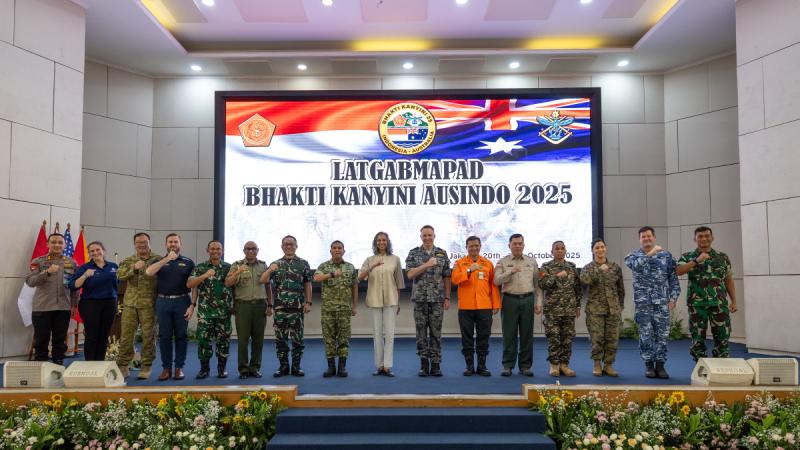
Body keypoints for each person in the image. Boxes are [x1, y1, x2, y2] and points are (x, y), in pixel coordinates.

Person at [624, 226, 680, 379]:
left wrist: (673, 298)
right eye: (643, 237)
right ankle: (649, 365)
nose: (646, 239)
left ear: (654, 237)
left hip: (661, 303)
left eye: (649, 236)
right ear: (639, 239)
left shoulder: (667, 256)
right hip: (643, 305)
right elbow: (635, 266)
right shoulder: (633, 256)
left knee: (662, 335)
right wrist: (650, 254)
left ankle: (660, 365)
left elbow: (673, 279)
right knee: (646, 335)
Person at [677, 226, 738, 362]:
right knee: (698, 339)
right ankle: (701, 367)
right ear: (695, 239)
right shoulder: (688, 256)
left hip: (719, 304)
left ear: (712, 238)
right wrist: (696, 261)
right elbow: (679, 271)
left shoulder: (722, 257)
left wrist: (734, 301)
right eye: (700, 236)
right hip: (697, 305)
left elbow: (728, 280)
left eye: (707, 236)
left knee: (722, 337)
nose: (704, 239)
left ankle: (721, 366)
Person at [145, 233, 195, 381]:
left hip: (182, 301)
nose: (173, 244)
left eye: (176, 242)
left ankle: (179, 368)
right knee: (164, 336)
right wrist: (167, 259)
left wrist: (192, 305)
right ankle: (166, 369)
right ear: (166, 244)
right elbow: (148, 272)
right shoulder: (158, 260)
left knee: (181, 335)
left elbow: (194, 285)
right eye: (170, 242)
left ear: (180, 244)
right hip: (163, 301)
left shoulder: (188, 262)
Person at [261, 235, 312, 377]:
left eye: (291, 244)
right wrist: (270, 270)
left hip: (297, 308)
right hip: (280, 308)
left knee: (297, 340)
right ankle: (283, 366)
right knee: (280, 340)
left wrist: (308, 302)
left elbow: (308, 284)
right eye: (286, 244)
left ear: (296, 246)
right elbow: (263, 280)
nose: (289, 247)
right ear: (282, 247)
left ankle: (296, 367)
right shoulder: (275, 264)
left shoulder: (303, 263)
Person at [25, 233, 79, 366]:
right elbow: (30, 281)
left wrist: (73, 305)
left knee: (59, 342)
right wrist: (47, 272)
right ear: (47, 244)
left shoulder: (71, 263)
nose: (57, 245)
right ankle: (40, 368)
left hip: (63, 308)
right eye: (54, 242)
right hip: (42, 308)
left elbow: (75, 287)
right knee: (41, 341)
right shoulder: (39, 261)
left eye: (60, 243)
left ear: (64, 245)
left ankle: (57, 367)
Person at [405, 225, 452, 377]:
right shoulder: (413, 253)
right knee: (421, 333)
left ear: (434, 236)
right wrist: (426, 265)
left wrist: (447, 297)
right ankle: (424, 364)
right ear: (421, 237)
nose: (427, 238)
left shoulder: (442, 254)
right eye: (424, 235)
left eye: (429, 235)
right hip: (420, 300)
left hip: (437, 300)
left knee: (436, 333)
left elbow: (447, 277)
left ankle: (436, 364)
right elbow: (410, 274)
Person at [493, 233, 543, 377]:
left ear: (524, 245)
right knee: (509, 335)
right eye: (514, 243)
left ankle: (525, 366)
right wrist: (510, 271)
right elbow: (496, 281)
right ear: (509, 245)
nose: (518, 246)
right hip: (509, 300)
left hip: (528, 299)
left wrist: (538, 303)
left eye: (520, 243)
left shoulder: (531, 261)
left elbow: (537, 284)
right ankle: (508, 365)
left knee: (527, 335)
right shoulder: (503, 261)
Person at [451, 236, 500, 376]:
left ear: (480, 247)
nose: (474, 248)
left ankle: (482, 366)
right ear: (466, 247)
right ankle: (469, 366)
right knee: (467, 337)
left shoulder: (488, 263)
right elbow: (455, 279)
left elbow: (493, 286)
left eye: (476, 246)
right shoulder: (459, 263)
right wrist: (469, 271)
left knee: (483, 336)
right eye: (471, 246)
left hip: (484, 307)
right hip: (466, 307)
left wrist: (496, 304)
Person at [359, 231, 405, 377]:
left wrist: (398, 303)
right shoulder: (369, 259)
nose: (381, 242)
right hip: (375, 300)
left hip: (391, 300)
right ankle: (379, 366)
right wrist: (371, 267)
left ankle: (387, 366)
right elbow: (359, 277)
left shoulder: (395, 259)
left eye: (384, 240)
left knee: (390, 335)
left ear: (388, 242)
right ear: (375, 243)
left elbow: (399, 282)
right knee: (377, 334)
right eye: (379, 240)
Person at [116, 232, 161, 379]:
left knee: (149, 336)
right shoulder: (129, 260)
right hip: (130, 304)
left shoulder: (157, 259)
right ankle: (123, 365)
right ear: (135, 244)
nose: (142, 245)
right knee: (126, 336)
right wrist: (134, 268)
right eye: (139, 243)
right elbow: (120, 276)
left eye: (145, 242)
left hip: (149, 305)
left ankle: (146, 366)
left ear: (150, 243)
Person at [188, 240, 233, 379]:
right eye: (212, 249)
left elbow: (234, 287)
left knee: (223, 341)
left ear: (222, 251)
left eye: (218, 249)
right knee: (203, 342)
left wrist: (235, 305)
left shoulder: (229, 267)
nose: (215, 251)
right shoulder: (200, 267)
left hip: (224, 312)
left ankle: (222, 368)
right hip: (205, 312)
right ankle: (204, 369)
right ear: (208, 251)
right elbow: (190, 284)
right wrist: (204, 275)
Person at [580, 238, 625, 377]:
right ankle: (597, 364)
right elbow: (585, 281)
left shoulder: (615, 267)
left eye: (602, 247)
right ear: (593, 251)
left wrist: (620, 305)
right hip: (595, 310)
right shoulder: (588, 268)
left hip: (613, 309)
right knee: (597, 339)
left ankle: (609, 365)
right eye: (597, 248)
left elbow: (620, 289)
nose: (600, 250)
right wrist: (599, 271)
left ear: (606, 248)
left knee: (612, 339)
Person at [314, 240, 358, 378]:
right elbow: (316, 278)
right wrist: (331, 274)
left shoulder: (350, 267)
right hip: (328, 310)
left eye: (340, 248)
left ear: (344, 251)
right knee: (329, 339)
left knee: (344, 339)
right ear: (330, 251)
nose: (337, 250)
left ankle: (342, 367)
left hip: (344, 309)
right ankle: (331, 367)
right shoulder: (324, 266)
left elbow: (354, 287)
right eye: (334, 248)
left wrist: (355, 305)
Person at [225, 241, 268, 379]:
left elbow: (268, 286)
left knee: (258, 340)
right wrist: (238, 271)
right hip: (242, 306)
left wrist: (270, 305)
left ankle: (255, 367)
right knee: (243, 340)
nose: (250, 251)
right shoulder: (236, 264)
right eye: (248, 249)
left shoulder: (263, 265)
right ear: (244, 251)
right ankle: (243, 369)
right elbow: (228, 283)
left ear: (257, 250)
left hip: (260, 306)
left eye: (253, 249)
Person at [69, 241, 118, 361]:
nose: (95, 252)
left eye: (98, 249)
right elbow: (73, 285)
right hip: (90, 304)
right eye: (92, 251)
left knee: (104, 335)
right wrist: (85, 275)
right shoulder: (85, 268)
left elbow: (118, 284)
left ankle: (100, 363)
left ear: (103, 251)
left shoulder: (114, 266)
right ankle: (90, 363)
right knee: (92, 335)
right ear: (89, 253)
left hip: (110, 304)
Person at [539, 241, 582, 377]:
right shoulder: (546, 267)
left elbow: (578, 288)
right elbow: (543, 284)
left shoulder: (572, 267)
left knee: (567, 338)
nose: (560, 251)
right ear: (552, 252)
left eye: (562, 248)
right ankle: (554, 365)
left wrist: (578, 305)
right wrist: (556, 276)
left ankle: (564, 365)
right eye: (557, 249)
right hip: (552, 310)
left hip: (569, 309)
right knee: (554, 338)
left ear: (565, 251)